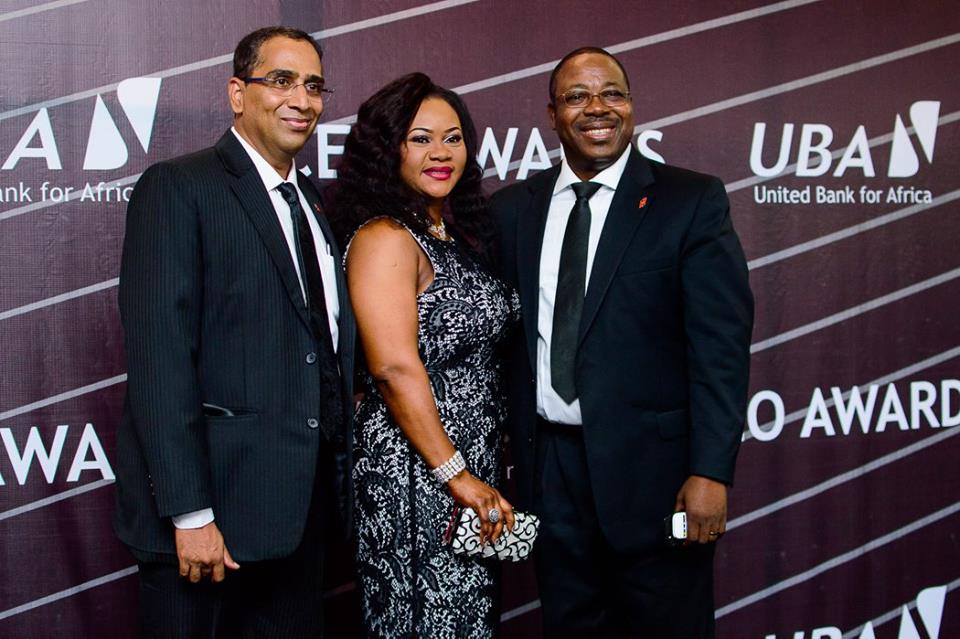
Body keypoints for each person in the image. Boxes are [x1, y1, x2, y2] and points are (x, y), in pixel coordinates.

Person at [492, 47, 754, 637]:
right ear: (552, 115)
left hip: (663, 482)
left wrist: (712, 472)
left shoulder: (689, 201)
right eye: (577, 96)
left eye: (612, 93)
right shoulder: (512, 210)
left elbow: (720, 348)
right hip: (550, 477)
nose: (598, 108)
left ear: (632, 105)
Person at [113, 26, 354, 637]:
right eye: (281, 80)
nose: (301, 99)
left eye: (314, 85)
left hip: (296, 519)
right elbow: (160, 359)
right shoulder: (180, 187)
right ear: (237, 93)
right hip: (209, 522)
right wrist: (190, 514)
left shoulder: (310, 202)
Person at [332, 72, 519, 638]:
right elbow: (392, 367)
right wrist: (455, 474)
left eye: (452, 138)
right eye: (420, 139)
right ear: (386, 151)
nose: (441, 153)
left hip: (466, 468)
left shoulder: (451, 235)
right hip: (416, 472)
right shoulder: (385, 237)